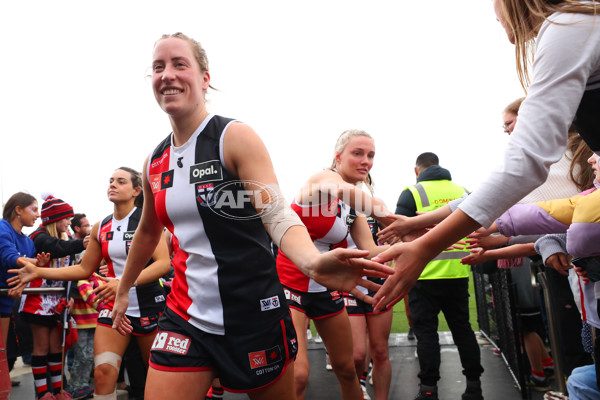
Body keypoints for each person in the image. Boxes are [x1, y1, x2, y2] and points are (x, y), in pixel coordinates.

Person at [108, 33, 392, 400]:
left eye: (180, 64)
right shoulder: (154, 161)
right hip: (184, 315)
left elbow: (276, 212)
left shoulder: (234, 137)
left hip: (253, 312)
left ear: (205, 78)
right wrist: (123, 289)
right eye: (158, 67)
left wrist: (312, 262)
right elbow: (148, 232)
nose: (167, 74)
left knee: (314, 378)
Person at [372, 0, 600, 323]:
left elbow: (522, 167)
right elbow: (509, 204)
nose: (509, 37)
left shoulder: (571, 25)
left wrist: (425, 247)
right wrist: (417, 225)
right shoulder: (583, 21)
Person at [10, 168, 171, 400]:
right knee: (103, 372)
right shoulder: (101, 226)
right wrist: (38, 270)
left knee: (156, 376)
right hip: (112, 308)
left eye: (121, 181)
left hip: (147, 304)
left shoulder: (148, 220)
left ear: (137, 190)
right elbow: (84, 269)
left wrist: (123, 284)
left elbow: (163, 264)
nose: (113, 184)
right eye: (111, 181)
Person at [276, 129, 392, 400]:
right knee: (299, 375)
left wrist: (418, 243)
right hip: (290, 285)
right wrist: (389, 215)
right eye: (357, 153)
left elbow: (371, 250)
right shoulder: (324, 179)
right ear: (337, 157)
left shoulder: (353, 207)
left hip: (327, 287)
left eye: (371, 155)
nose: (366, 161)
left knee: (349, 368)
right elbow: (339, 188)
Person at [393, 152, 483, 400]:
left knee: (426, 333)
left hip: (423, 275)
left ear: (417, 170)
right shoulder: (463, 190)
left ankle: (428, 389)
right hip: (458, 272)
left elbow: (402, 230)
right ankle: (474, 386)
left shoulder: (411, 192)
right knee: (463, 330)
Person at [19, 194, 87, 400]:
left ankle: (57, 390)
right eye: (66, 218)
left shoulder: (63, 239)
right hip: (37, 302)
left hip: (59, 303)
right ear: (54, 219)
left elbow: (74, 269)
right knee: (42, 348)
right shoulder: (39, 237)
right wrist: (83, 242)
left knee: (57, 347)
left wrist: (72, 293)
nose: (68, 223)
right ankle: (42, 393)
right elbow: (58, 250)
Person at [0, 192, 45, 391]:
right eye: (34, 209)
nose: (37, 215)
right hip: (2, 300)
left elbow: (30, 275)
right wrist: (39, 264)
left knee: (6, 353)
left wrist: (23, 285)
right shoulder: (2, 227)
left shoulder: (28, 242)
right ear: (18, 210)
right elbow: (9, 257)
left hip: (10, 304)